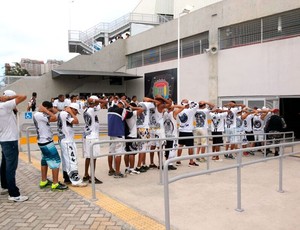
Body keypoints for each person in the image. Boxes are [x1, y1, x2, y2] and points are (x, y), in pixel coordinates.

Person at [0, 90, 28, 202]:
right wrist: (9, 98)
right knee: (11, 167)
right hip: (10, 141)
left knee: (5, 164)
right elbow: (23, 95)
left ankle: (5, 185)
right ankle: (14, 194)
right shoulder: (5, 106)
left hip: (3, 139)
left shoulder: (4, 108)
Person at [33, 101, 68, 191]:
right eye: (48, 109)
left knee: (44, 160)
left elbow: (55, 112)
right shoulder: (39, 115)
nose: (50, 111)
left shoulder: (39, 114)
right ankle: (55, 183)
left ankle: (44, 181)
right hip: (46, 142)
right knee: (55, 161)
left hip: (43, 141)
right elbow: (54, 117)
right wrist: (46, 110)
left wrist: (49, 109)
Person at [57, 103, 87, 187]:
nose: (76, 113)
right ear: (72, 109)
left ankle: (67, 178)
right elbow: (76, 121)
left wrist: (71, 112)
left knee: (66, 161)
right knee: (71, 160)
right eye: (76, 111)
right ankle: (75, 180)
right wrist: (72, 113)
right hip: (67, 141)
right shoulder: (65, 114)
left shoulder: (63, 113)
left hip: (65, 140)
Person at [82, 95, 107, 184]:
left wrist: (93, 101)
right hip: (92, 137)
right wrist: (96, 100)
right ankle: (92, 177)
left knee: (88, 157)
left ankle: (85, 175)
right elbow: (105, 102)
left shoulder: (86, 109)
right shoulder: (92, 110)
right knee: (93, 157)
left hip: (88, 136)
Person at [107, 100, 133, 178]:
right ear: (121, 104)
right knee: (118, 153)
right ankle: (117, 172)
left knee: (111, 152)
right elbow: (130, 114)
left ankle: (111, 169)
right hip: (119, 134)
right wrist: (127, 106)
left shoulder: (110, 109)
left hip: (111, 134)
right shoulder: (121, 110)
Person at [177, 99, 200, 166]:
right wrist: (189, 101)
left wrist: (183, 102)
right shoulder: (190, 111)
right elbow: (197, 104)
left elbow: (179, 105)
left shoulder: (179, 111)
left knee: (180, 145)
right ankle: (191, 161)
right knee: (190, 147)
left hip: (181, 130)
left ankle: (178, 160)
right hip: (188, 131)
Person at [163, 101, 185, 170]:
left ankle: (167, 163)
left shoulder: (165, 112)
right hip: (172, 135)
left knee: (167, 150)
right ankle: (170, 164)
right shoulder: (173, 113)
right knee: (172, 150)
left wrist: (169, 106)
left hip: (166, 135)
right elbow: (183, 107)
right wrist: (174, 106)